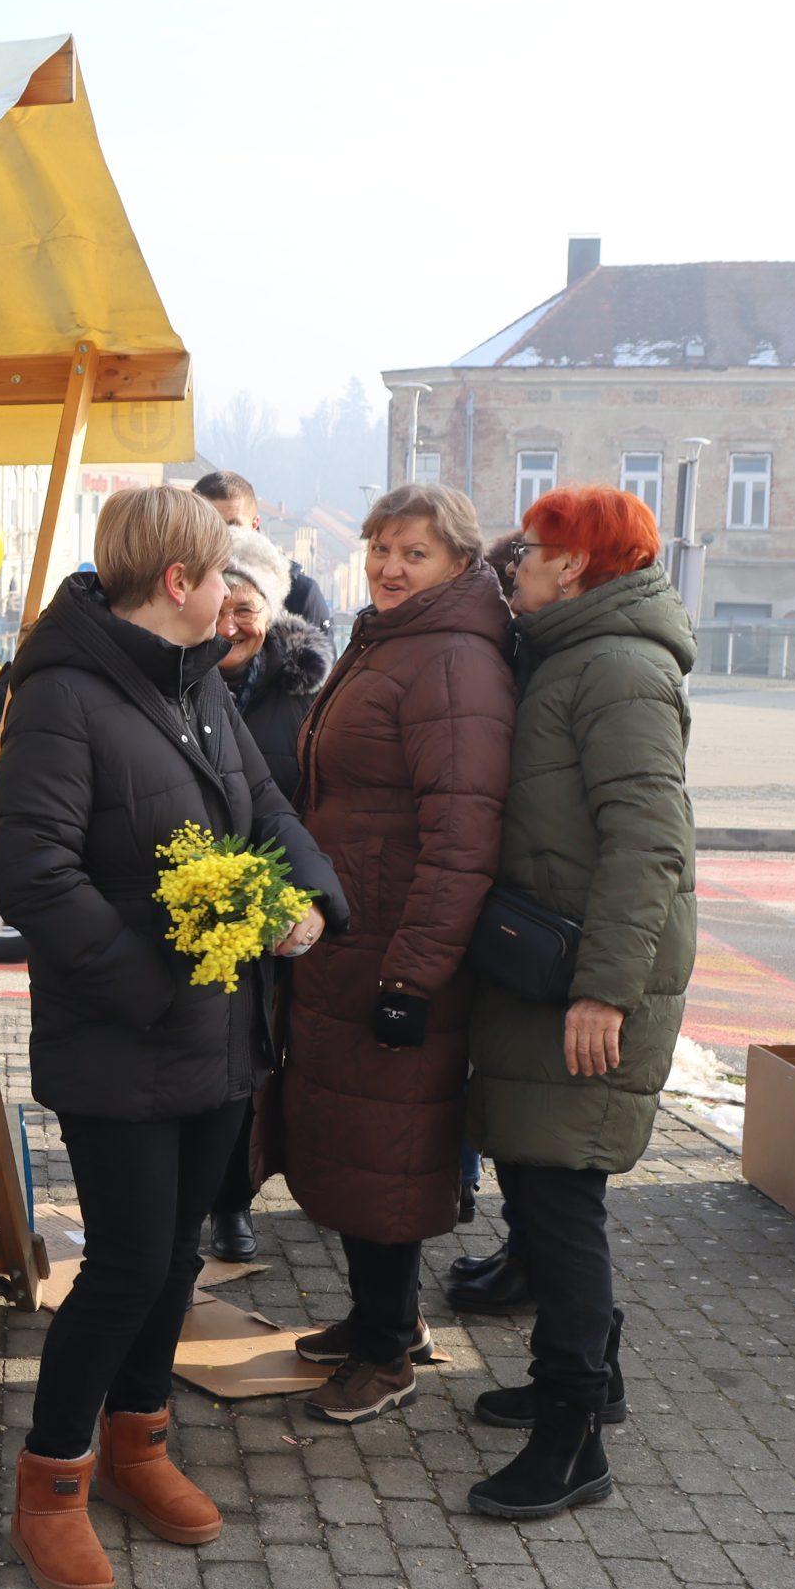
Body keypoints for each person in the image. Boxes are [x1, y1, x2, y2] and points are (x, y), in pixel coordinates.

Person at [0, 484, 343, 1589]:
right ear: (179, 581)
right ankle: (50, 1482)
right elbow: (32, 869)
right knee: (128, 1265)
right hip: (123, 1037)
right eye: (224, 573)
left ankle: (137, 1442)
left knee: (180, 1257)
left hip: (219, 1029)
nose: (238, 594)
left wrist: (307, 895)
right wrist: (148, 983)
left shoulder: (197, 683)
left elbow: (266, 809)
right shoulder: (62, 693)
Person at [464, 487, 694, 1519]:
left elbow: (649, 842)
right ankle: (593, 1381)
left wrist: (604, 990)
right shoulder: (569, 653)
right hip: (544, 965)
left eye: (534, 547)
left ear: (577, 566)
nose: (515, 560)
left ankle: (572, 1442)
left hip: (587, 977)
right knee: (538, 1177)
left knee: (560, 1198)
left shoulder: (620, 670)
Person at [281, 484, 515, 1425]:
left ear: (458, 562)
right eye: (381, 547)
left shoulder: (452, 659)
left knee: (388, 1147)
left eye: (414, 553)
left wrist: (413, 974)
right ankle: (383, 1316)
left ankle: (386, 1354)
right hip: (354, 939)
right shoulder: (392, 639)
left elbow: (462, 837)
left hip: (395, 950)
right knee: (359, 1140)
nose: (389, 566)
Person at [201, 524, 334, 1264]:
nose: (230, 624)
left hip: (276, 899)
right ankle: (205, 1191)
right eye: (220, 605)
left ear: (272, 609)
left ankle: (233, 1202)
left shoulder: (303, 686)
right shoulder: (179, 675)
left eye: (245, 608)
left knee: (255, 1059)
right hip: (196, 895)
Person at [448, 526, 535, 1314]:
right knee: (507, 1089)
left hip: (538, 917)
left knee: (542, 1123)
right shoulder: (521, 650)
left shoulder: (563, 658)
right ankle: (522, 1251)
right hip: (509, 899)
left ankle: (536, 1266)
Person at [193, 469, 334, 637]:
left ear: (254, 525)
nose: (222, 535)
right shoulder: (178, 586)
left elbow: (318, 652)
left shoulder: (299, 594)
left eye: (233, 526)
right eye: (211, 525)